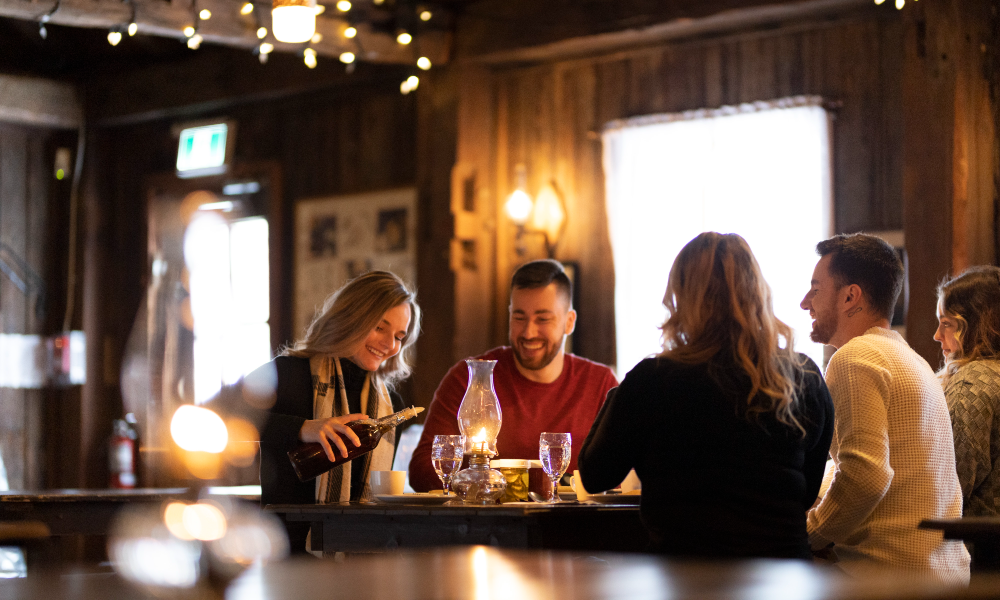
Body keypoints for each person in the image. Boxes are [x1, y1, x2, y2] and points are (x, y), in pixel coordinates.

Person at [578, 232, 834, 559]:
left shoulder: (653, 380)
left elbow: (595, 474)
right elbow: (806, 493)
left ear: (683, 298)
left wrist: (620, 391)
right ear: (758, 294)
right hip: (783, 575)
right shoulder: (804, 375)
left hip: (685, 577)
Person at [800, 233, 969, 582]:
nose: (805, 302)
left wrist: (806, 534)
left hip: (888, 578)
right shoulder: (914, 361)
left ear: (850, 296)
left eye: (815, 289)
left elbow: (867, 476)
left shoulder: (854, 358)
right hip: (943, 572)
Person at [243, 271, 420, 553]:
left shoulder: (392, 404)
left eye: (399, 336)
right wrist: (303, 428)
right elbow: (224, 420)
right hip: (285, 554)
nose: (389, 345)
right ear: (352, 318)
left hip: (362, 559)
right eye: (379, 327)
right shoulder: (288, 373)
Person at [409, 259, 618, 492]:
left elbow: (620, 476)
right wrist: (484, 470)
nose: (528, 332)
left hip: (575, 525)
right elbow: (421, 471)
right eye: (519, 317)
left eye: (543, 319)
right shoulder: (469, 378)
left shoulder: (600, 384)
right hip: (485, 524)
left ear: (569, 322)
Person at [934, 266, 1000, 517]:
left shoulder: (970, 386)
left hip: (978, 546)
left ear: (977, 325)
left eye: (947, 324)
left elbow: (948, 488)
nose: (937, 335)